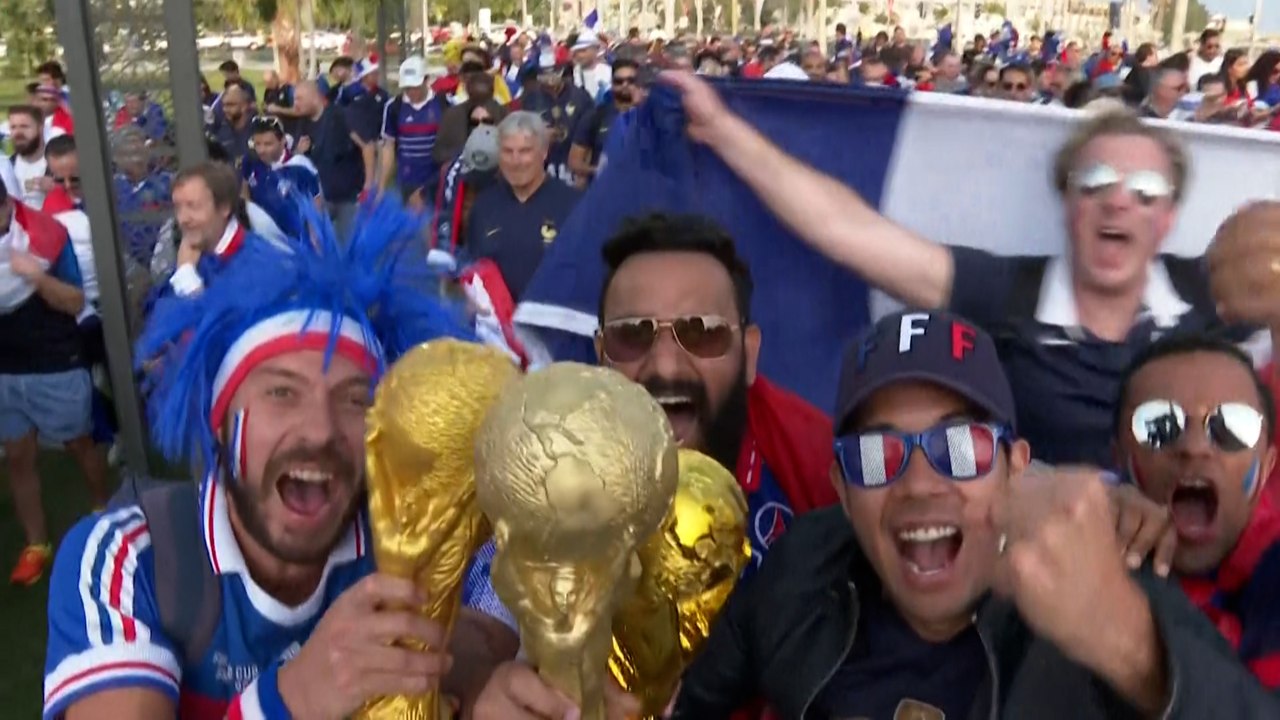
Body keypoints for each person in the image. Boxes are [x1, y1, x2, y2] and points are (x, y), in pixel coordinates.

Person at [666, 309, 1280, 718]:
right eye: (877, 456)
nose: (919, 484)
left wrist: (1127, 646)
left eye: (961, 447)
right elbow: (689, 703)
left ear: (1016, 469)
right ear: (843, 491)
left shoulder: (1110, 587)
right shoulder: (801, 567)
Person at [42, 197, 511, 718]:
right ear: (221, 422)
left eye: (355, 400)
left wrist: (490, 690)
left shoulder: (417, 543)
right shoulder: (132, 558)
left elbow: (489, 641)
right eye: (281, 393)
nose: (320, 430)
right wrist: (293, 697)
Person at [661, 72, 1253, 469]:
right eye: (1095, 182)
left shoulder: (1216, 295)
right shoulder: (1008, 294)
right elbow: (849, 231)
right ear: (1068, 202)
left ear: (1168, 218)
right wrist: (721, 129)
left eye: (1144, 189)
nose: (1118, 202)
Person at [1114, 332, 1280, 689]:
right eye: (1159, 425)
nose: (1193, 447)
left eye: (1232, 426)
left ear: (1267, 466)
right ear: (1117, 456)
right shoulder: (1087, 544)